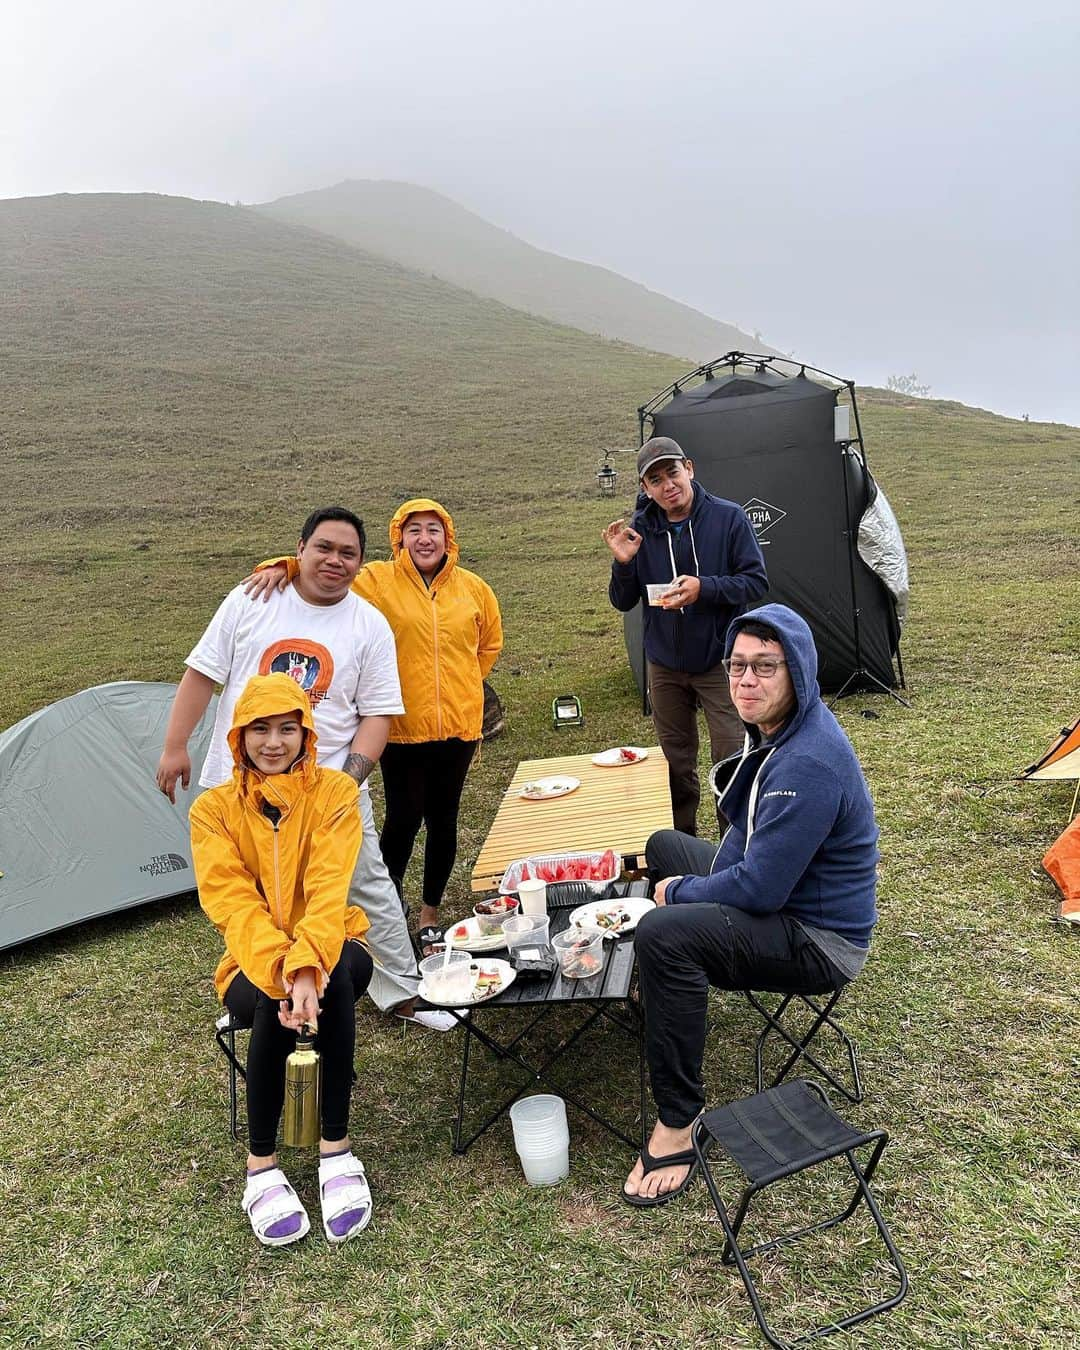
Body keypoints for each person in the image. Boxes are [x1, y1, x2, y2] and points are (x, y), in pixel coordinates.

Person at [156, 506, 454, 1031]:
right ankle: (257, 992)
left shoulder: (369, 624)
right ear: (299, 550)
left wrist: (345, 781)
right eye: (324, 548)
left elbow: (377, 714)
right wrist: (175, 745)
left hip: (330, 788)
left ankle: (404, 995)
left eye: (348, 553)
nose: (334, 560)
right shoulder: (253, 598)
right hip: (241, 783)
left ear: (362, 564)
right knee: (247, 891)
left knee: (367, 885)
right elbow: (202, 673)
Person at [622, 604, 879, 1207]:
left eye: (766, 667)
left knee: (663, 932)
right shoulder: (780, 731)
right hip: (782, 900)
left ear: (800, 672)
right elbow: (745, 832)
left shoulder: (808, 761)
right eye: (737, 666)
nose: (746, 681)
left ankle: (678, 1123)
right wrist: (691, 880)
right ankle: (660, 990)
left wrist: (681, 894)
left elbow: (760, 890)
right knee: (664, 845)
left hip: (816, 940)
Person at [245, 498, 503, 956]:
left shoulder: (473, 588)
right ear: (398, 538)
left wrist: (458, 688)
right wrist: (281, 564)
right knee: (403, 819)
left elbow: (488, 646)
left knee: (444, 820)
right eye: (414, 530)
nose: (425, 539)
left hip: (459, 727)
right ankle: (389, 913)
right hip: (400, 729)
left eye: (434, 530)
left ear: (449, 538)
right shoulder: (375, 581)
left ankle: (429, 917)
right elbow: (323, 573)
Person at [189, 673, 375, 1246]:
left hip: (335, 942)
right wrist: (284, 971)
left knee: (336, 970)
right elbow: (233, 905)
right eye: (260, 729)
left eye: (288, 729)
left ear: (307, 733)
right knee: (279, 997)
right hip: (252, 963)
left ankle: (333, 1149)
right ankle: (262, 1166)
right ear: (238, 737)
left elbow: (328, 891)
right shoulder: (212, 811)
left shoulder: (336, 795)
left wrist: (306, 968)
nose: (274, 742)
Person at [603, 436, 768, 836]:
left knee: (730, 758)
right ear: (646, 489)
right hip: (664, 665)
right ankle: (682, 848)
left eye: (672, 472)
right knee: (675, 764)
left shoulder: (728, 518)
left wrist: (704, 589)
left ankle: (734, 849)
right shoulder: (639, 531)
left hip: (718, 662)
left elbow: (755, 582)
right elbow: (623, 601)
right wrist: (623, 564)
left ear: (689, 469)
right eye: (655, 480)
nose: (667, 485)